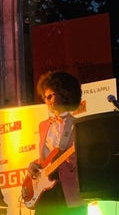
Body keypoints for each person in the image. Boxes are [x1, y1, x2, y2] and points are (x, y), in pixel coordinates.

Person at [26, 70, 87, 214]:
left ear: (65, 94)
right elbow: (46, 158)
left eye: (50, 95)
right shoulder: (43, 126)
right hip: (45, 193)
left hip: (70, 190)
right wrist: (34, 165)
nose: (46, 99)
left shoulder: (79, 125)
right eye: (45, 96)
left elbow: (86, 158)